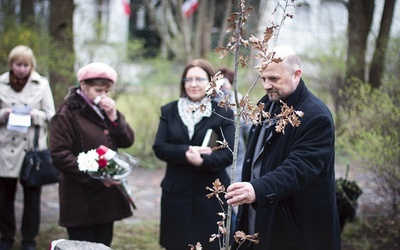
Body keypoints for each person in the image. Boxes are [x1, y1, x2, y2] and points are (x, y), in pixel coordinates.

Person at [225, 46, 341, 249]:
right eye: (263, 79)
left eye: (274, 79)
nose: (267, 85)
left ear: (296, 75)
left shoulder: (316, 116)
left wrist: (257, 189)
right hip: (258, 216)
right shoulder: (267, 105)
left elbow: (299, 169)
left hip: (293, 230)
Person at [153, 59, 235, 250]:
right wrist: (185, 152)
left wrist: (202, 161)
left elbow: (229, 153)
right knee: (177, 244)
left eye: (199, 79)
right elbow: (160, 146)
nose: (193, 84)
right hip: (176, 194)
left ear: (211, 83)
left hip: (210, 194)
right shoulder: (170, 110)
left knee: (209, 245)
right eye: (188, 79)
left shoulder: (223, 113)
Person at [49, 62, 134, 247]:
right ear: (83, 86)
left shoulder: (106, 111)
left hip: (105, 199)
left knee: (103, 244)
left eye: (107, 91)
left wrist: (114, 118)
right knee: (82, 245)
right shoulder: (66, 114)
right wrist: (95, 176)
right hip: (79, 198)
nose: (103, 96)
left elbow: (128, 141)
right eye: (98, 90)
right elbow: (59, 155)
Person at [0, 45, 55, 250]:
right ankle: (6, 237)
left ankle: (29, 240)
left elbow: (51, 114)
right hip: (5, 149)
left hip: (31, 152)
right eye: (18, 64)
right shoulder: (0, 83)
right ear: (11, 65)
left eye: (26, 65)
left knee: (32, 199)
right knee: (5, 198)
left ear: (31, 66)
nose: (22, 69)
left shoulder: (41, 84)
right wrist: (4, 114)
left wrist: (35, 116)